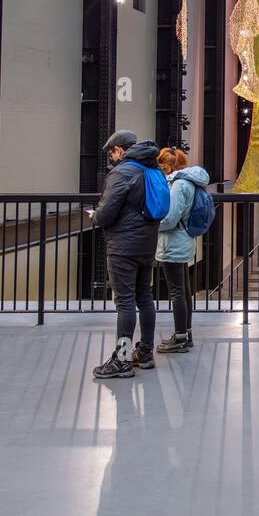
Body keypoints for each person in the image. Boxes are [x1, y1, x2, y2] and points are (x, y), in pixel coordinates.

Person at [91, 130, 163, 379]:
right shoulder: (151, 169)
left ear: (120, 149)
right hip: (146, 244)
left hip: (123, 246)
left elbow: (107, 211)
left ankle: (121, 361)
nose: (111, 157)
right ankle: (145, 353)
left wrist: (96, 216)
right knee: (145, 297)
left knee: (124, 302)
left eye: (112, 152)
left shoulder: (123, 172)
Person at [155, 147, 212, 355]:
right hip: (184, 240)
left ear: (170, 166)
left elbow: (170, 219)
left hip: (173, 243)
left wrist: (152, 224)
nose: (160, 171)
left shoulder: (178, 186)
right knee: (184, 289)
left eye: (161, 167)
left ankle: (179, 337)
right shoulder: (190, 182)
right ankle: (186, 334)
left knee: (177, 291)